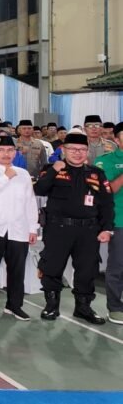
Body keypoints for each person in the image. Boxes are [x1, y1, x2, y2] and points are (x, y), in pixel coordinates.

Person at [35, 131, 114, 324]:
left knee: (87, 270)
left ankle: (83, 307)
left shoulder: (96, 173)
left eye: (82, 149)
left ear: (87, 151)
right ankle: (51, 306)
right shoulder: (51, 169)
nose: (77, 153)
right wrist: (54, 170)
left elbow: (106, 203)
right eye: (73, 149)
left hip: (88, 231)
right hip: (58, 229)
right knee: (52, 267)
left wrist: (106, 228)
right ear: (64, 149)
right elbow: (39, 189)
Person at [0, 134, 39, 320]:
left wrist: (32, 228)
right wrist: (5, 176)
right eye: (1, 150)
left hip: (19, 227)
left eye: (10, 150)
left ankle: (14, 305)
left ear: (15, 152)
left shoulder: (23, 173)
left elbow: (30, 202)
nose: (6, 154)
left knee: (17, 268)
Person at [95, 124, 123, 324]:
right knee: (117, 266)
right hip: (120, 220)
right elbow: (108, 190)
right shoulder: (105, 161)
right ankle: (115, 307)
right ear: (117, 140)